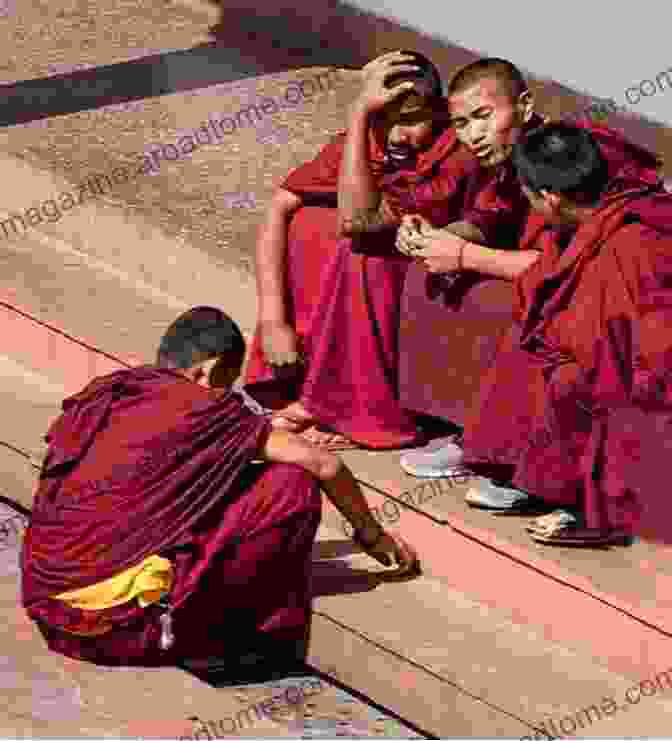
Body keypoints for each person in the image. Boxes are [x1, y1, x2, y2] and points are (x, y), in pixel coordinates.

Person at [21, 307, 418, 668]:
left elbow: (178, 448)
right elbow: (324, 464)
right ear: (206, 371)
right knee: (290, 485)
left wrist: (264, 428)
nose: (228, 395)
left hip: (47, 606)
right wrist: (371, 535)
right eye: (227, 383)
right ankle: (251, 635)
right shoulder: (208, 410)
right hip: (117, 629)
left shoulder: (116, 390)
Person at [243, 51, 481, 450]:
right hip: (391, 255)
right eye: (382, 118)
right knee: (308, 223)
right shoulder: (367, 139)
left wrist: (358, 119)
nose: (396, 135)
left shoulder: (453, 155)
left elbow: (359, 221)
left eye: (411, 119)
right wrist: (274, 322)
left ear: (439, 111)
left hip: (449, 273)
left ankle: (354, 408)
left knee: (363, 253)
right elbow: (281, 203)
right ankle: (310, 381)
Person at [460, 122, 669, 545]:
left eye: (529, 196)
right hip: (620, 355)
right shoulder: (599, 217)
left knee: (573, 377)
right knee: (529, 346)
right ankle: (528, 478)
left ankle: (600, 511)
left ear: (551, 198)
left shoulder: (631, 243)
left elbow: (640, 349)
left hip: (649, 378)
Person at [395, 58, 549, 495]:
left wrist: (464, 254)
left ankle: (517, 458)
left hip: (605, 295)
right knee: (431, 280)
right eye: (461, 123)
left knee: (506, 305)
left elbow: (568, 267)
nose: (472, 135)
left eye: (484, 117)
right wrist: (437, 237)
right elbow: (487, 217)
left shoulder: (563, 156)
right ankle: (467, 430)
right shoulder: (504, 160)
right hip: (537, 267)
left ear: (524, 105)